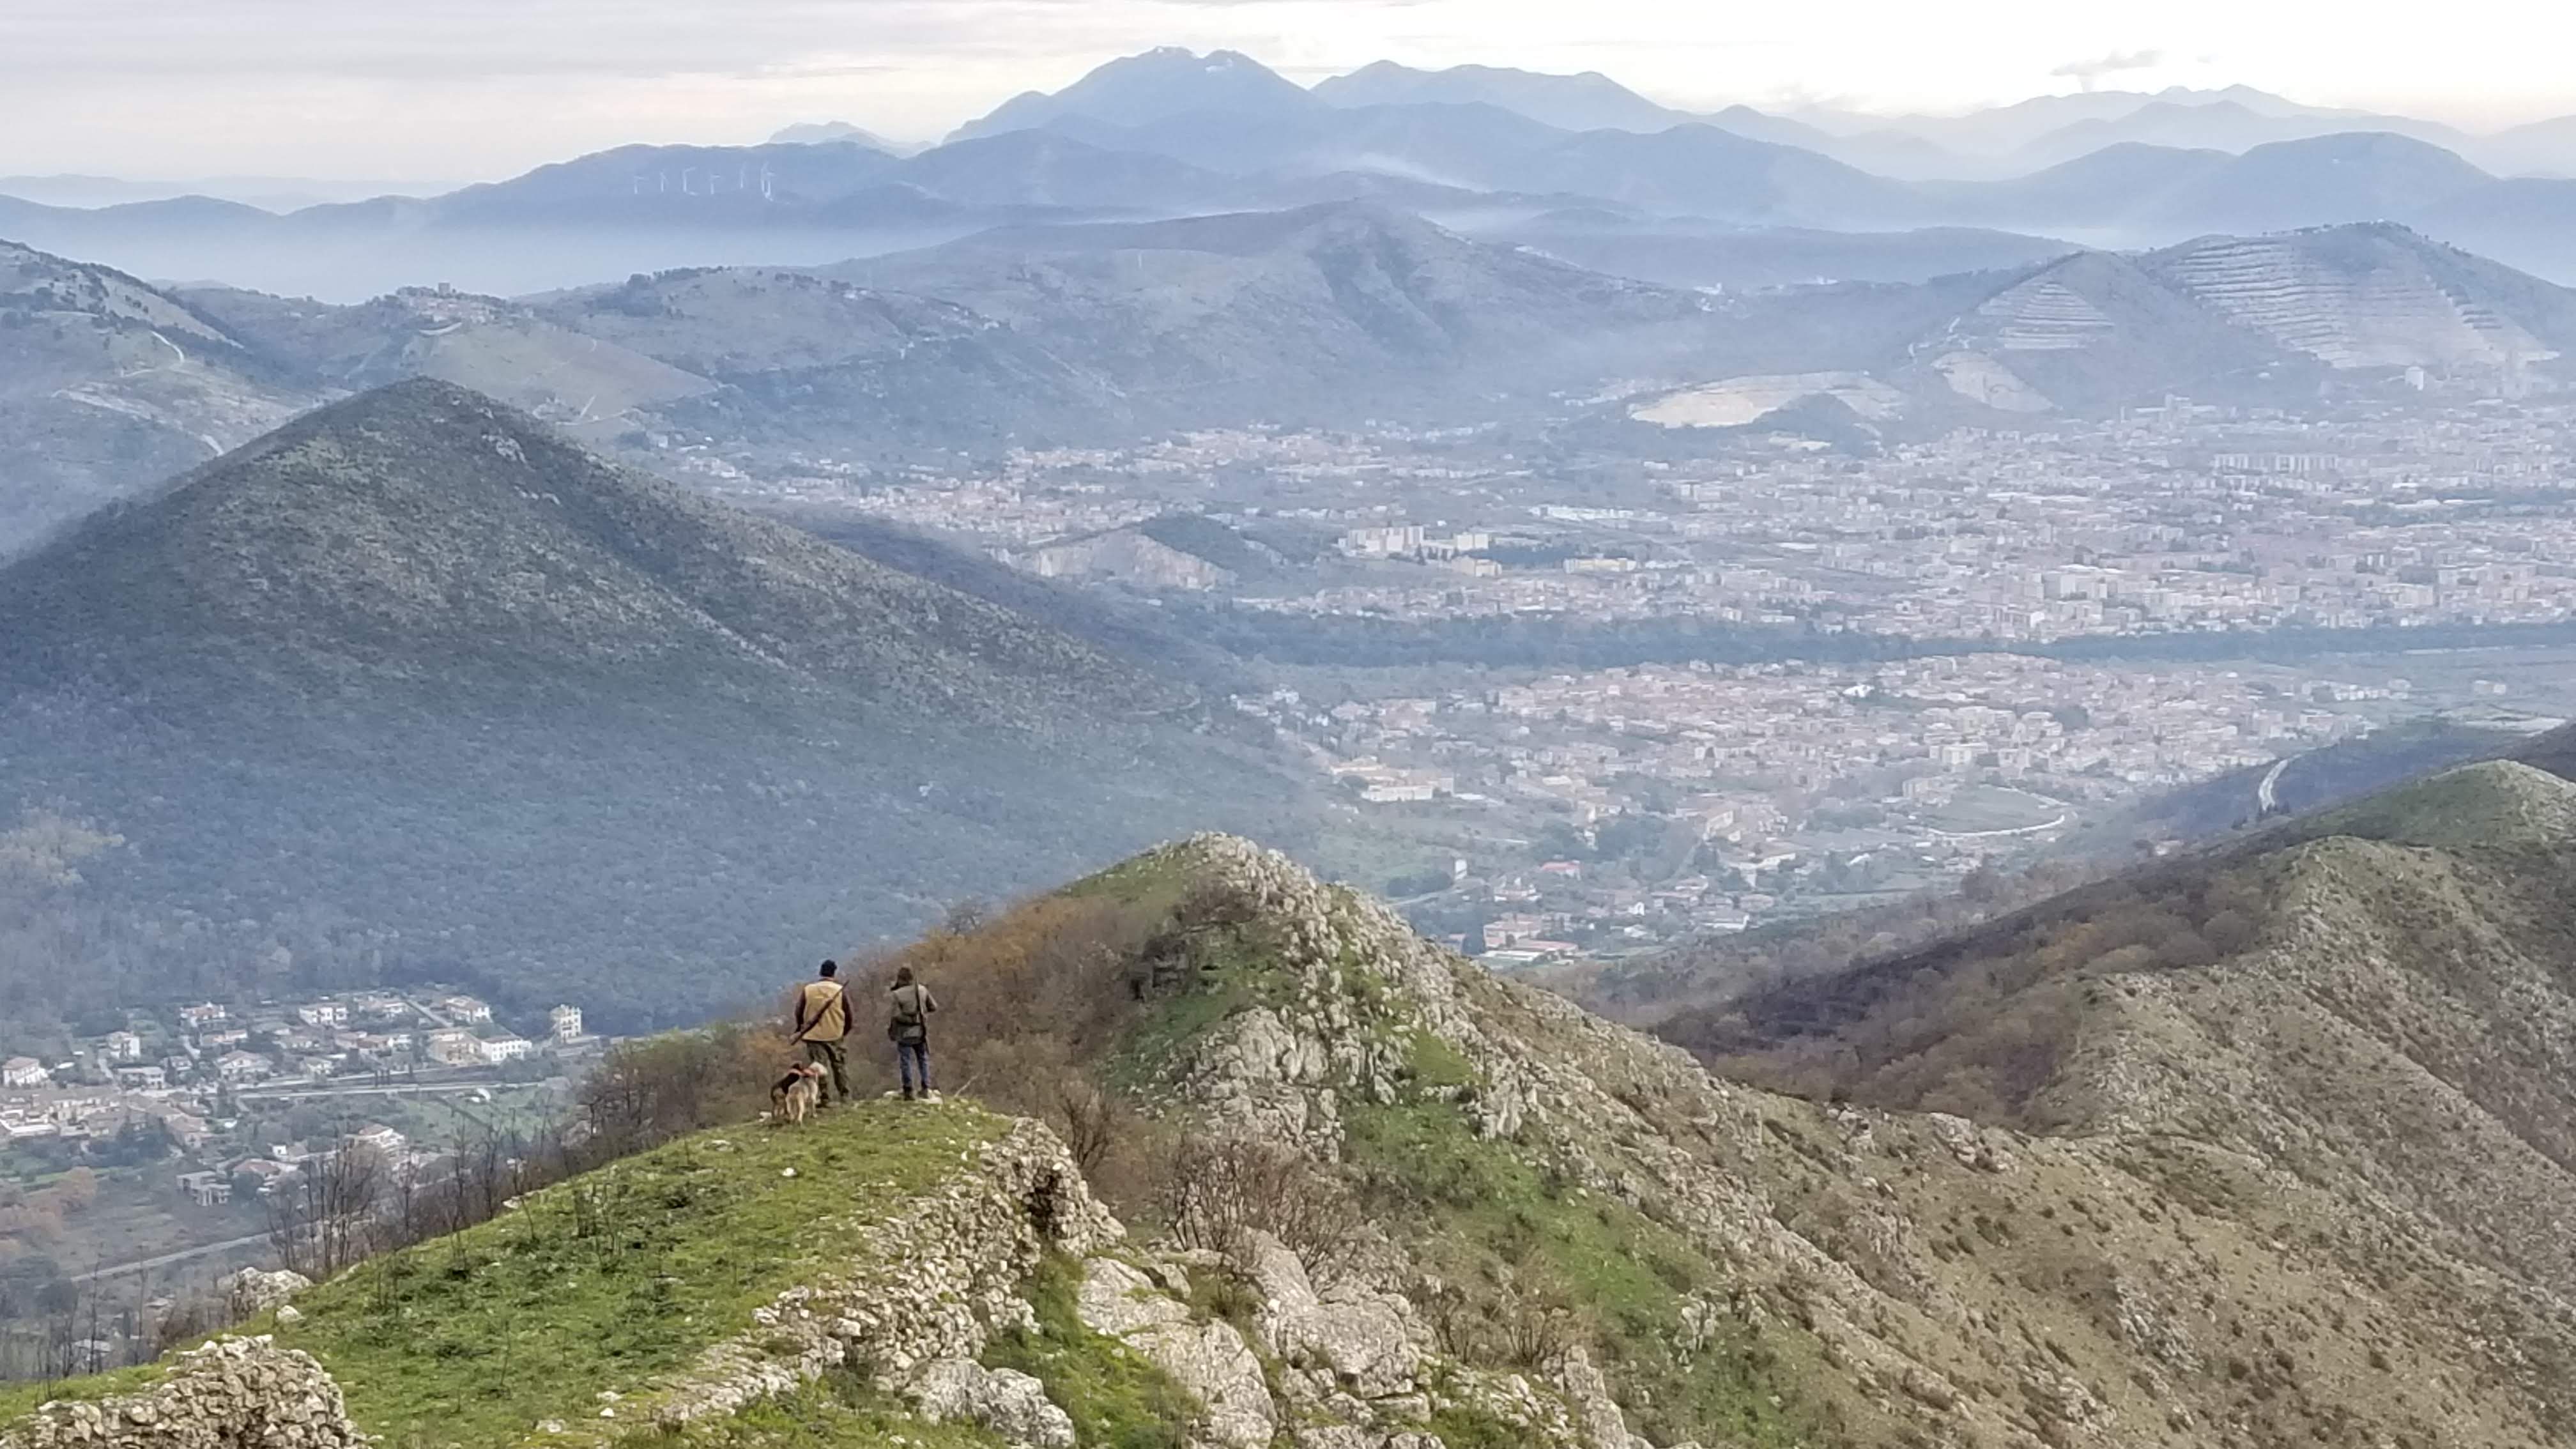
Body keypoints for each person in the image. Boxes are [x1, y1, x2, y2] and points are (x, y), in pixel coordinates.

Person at [789, 959, 852, 1107]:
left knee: (819, 1068)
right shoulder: (839, 991)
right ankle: (845, 1096)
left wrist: (800, 1029)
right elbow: (849, 1015)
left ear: (821, 972)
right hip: (835, 1034)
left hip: (813, 1036)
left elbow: (799, 1012)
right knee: (839, 1066)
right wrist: (844, 1031)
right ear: (834, 973)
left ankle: (824, 1098)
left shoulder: (808, 990)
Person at [887, 963, 940, 1102]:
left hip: (904, 1033)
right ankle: (926, 1087)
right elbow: (933, 1007)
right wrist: (920, 1016)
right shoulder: (922, 990)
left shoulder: (897, 995)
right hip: (921, 1031)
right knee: (923, 1059)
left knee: (906, 1061)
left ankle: (908, 1090)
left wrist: (909, 1018)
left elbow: (896, 1015)